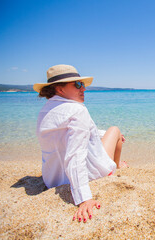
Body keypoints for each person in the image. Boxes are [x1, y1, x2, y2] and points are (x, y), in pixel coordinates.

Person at [34, 64, 127, 223]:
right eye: (77, 85)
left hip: (52, 179)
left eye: (82, 84)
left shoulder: (45, 110)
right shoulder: (77, 110)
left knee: (108, 134)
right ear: (60, 89)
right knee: (115, 130)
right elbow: (75, 156)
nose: (83, 88)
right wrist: (84, 199)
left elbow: (69, 134)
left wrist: (102, 135)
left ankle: (116, 156)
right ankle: (117, 166)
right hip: (88, 175)